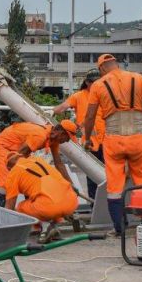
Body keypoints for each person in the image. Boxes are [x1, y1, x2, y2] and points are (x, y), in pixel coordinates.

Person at [83, 53, 142, 233]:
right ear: (116, 64)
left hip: (113, 139)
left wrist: (87, 138)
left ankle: (119, 228)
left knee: (114, 186)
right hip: (138, 137)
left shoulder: (98, 85)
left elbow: (89, 116)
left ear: (101, 69)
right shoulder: (138, 78)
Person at [51, 70, 105, 199]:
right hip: (90, 143)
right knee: (92, 174)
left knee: (107, 174)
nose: (98, 85)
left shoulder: (105, 96)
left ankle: (105, 202)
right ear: (87, 83)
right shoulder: (79, 96)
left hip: (107, 141)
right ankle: (94, 202)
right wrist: (51, 112)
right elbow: (63, 106)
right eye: (95, 82)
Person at [0, 121, 50, 206]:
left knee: (27, 176)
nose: (66, 141)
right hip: (5, 146)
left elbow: (59, 163)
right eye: (67, 138)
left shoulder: (53, 136)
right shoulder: (40, 136)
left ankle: (29, 209)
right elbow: (17, 155)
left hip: (18, 148)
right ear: (61, 133)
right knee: (6, 181)